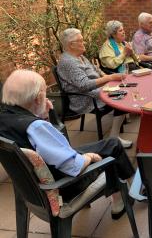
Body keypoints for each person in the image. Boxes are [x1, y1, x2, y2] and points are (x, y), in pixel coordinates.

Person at [0, 70, 135, 219]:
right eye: (45, 93)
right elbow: (72, 166)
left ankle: (122, 195)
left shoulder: (5, 118)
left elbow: (47, 145)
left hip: (33, 186)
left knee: (110, 144)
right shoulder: (36, 127)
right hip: (65, 185)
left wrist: (43, 115)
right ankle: (126, 196)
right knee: (113, 147)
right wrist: (88, 157)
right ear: (38, 98)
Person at [56, 28, 132, 148]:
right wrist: (110, 78)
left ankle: (114, 136)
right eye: (80, 40)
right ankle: (114, 138)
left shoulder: (79, 56)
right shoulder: (68, 62)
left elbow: (96, 70)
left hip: (96, 90)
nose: (84, 42)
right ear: (71, 45)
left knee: (126, 89)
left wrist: (106, 76)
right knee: (122, 97)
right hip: (84, 98)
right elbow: (84, 85)